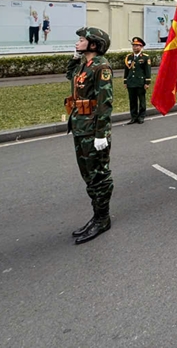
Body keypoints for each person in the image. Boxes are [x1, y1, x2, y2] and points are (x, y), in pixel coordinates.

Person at [65, 27, 114, 244]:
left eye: (82, 40)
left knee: (99, 176)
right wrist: (75, 59)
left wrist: (101, 133)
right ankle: (96, 215)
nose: (78, 42)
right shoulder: (84, 64)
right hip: (80, 127)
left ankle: (103, 218)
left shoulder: (101, 66)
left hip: (93, 130)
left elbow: (105, 102)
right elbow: (70, 76)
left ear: (93, 44)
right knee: (88, 175)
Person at [124, 36, 151, 125]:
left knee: (141, 100)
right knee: (132, 100)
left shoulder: (145, 58)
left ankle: (141, 116)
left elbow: (147, 71)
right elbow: (126, 70)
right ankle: (133, 117)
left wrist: (147, 82)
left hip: (140, 82)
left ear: (141, 47)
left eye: (137, 46)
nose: (135, 47)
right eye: (134, 46)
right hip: (131, 82)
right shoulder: (129, 57)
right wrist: (125, 81)